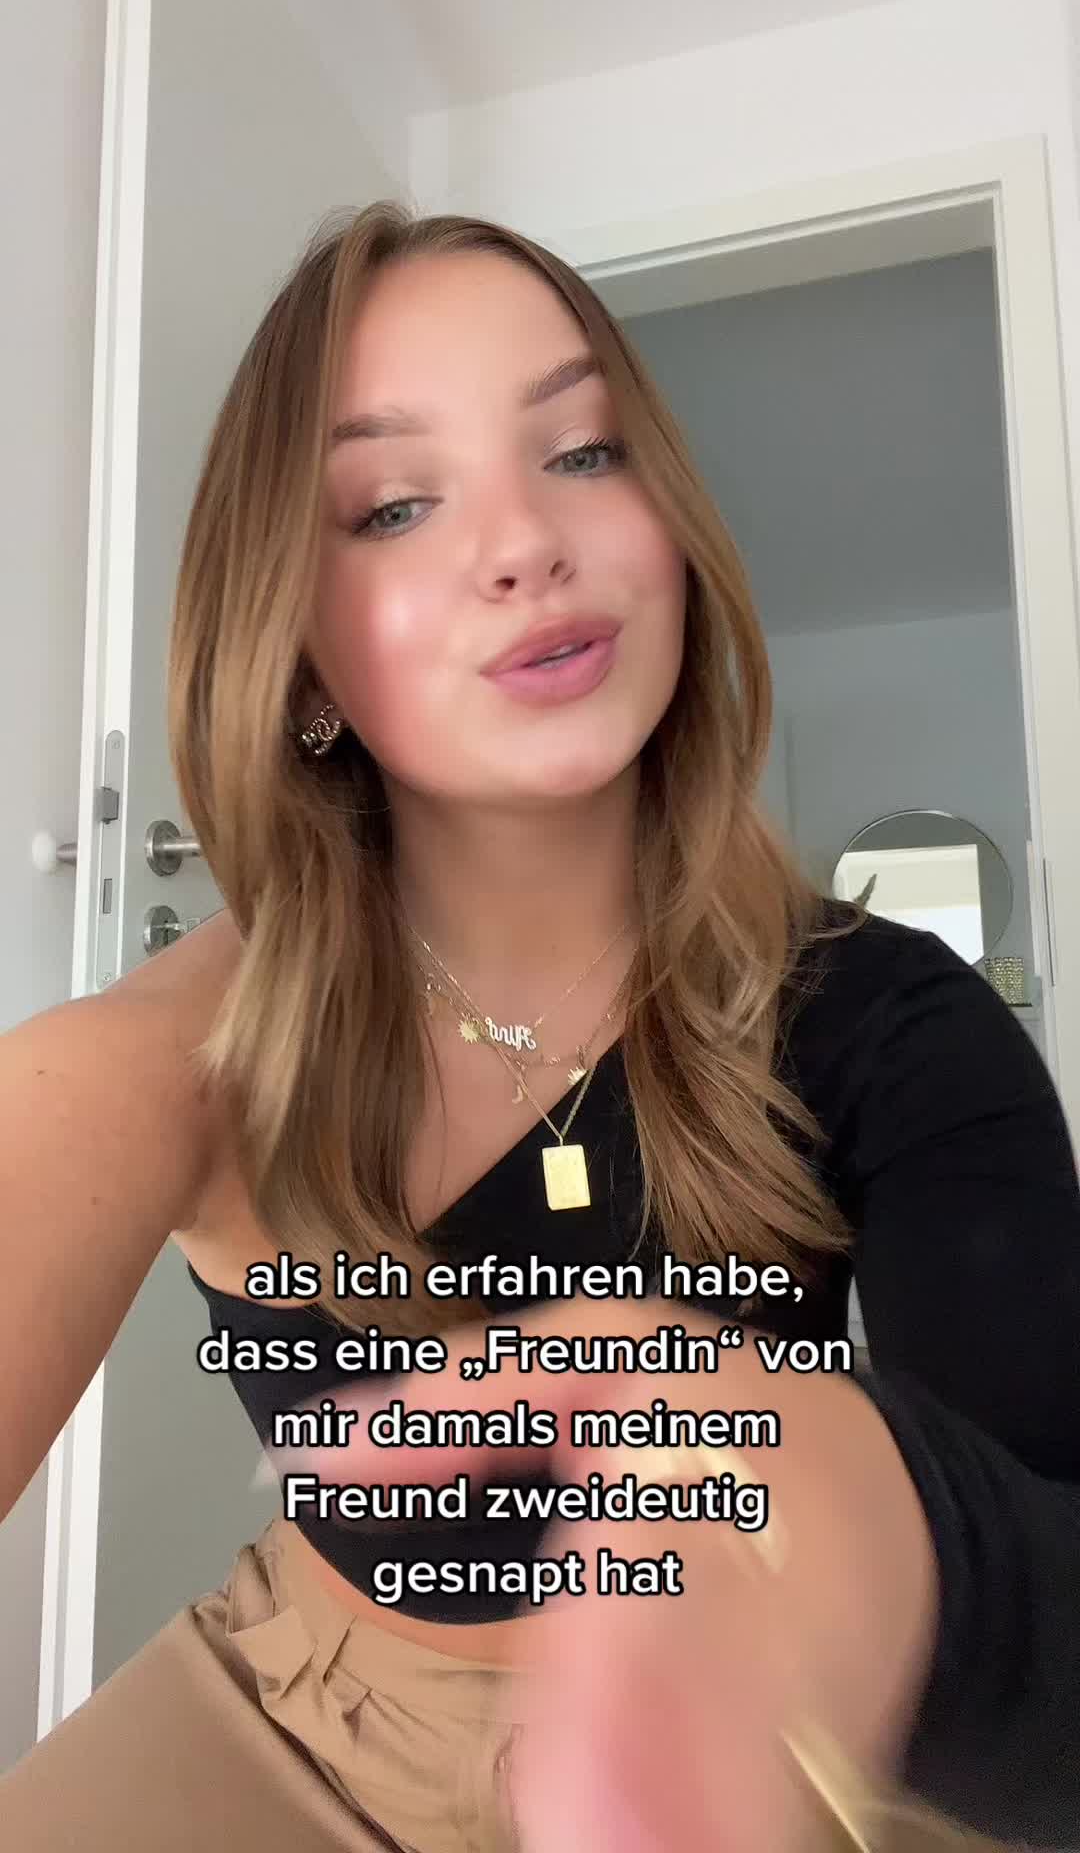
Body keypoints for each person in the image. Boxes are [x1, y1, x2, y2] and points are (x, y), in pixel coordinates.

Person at [1, 200, 1078, 1853]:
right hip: (301, 1715)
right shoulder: (179, 1048)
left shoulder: (898, 1023)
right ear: (299, 659)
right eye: (395, 504)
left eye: (581, 453)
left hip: (776, 1746)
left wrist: (883, 1517)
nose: (522, 543)